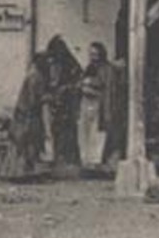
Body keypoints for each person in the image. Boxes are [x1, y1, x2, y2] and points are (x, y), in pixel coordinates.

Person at [0, 52, 50, 182]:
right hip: (29, 114)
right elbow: (34, 99)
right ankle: (23, 173)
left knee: (22, 142)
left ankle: (17, 171)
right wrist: (49, 98)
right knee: (27, 142)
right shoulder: (36, 77)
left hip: (24, 113)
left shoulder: (33, 74)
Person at [77, 41, 121, 175]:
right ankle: (86, 162)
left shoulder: (107, 69)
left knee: (97, 134)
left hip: (98, 105)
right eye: (90, 54)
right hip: (85, 104)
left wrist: (91, 89)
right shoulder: (89, 67)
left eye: (95, 54)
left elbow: (107, 90)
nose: (92, 57)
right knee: (84, 133)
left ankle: (96, 163)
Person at [43, 35, 82, 166]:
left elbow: (78, 83)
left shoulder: (72, 66)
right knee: (55, 131)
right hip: (55, 102)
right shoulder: (51, 65)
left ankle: (68, 159)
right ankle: (57, 158)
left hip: (68, 103)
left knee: (68, 131)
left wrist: (66, 88)